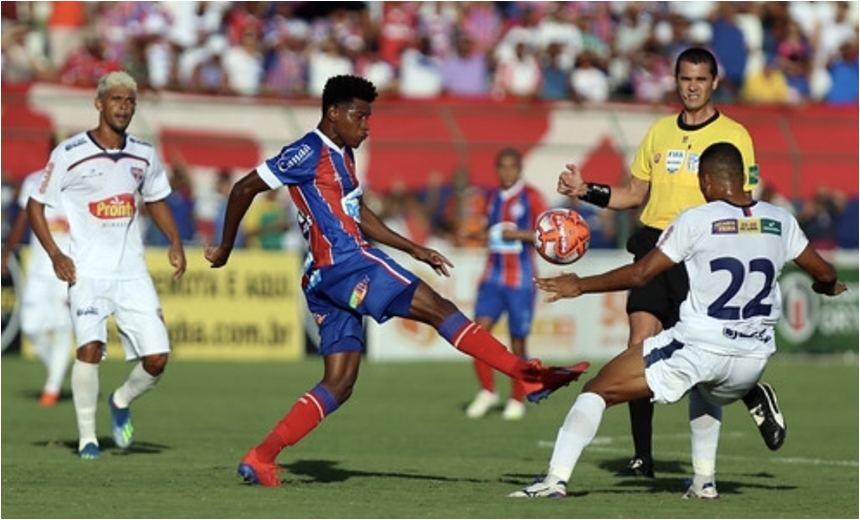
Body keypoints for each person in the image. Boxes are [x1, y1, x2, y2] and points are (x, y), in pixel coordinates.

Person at [203, 74, 589, 487]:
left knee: (341, 381)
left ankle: (260, 456)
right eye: (360, 116)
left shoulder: (344, 155)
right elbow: (245, 187)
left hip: (323, 278)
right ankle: (527, 376)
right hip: (347, 263)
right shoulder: (309, 150)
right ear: (333, 113)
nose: (367, 126)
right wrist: (226, 246)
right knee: (439, 308)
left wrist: (413, 248)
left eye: (370, 117)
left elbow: (359, 214)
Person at [509, 142, 847, 499]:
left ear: (707, 180)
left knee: (596, 391)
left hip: (701, 347)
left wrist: (579, 285)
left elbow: (641, 274)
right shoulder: (781, 219)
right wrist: (825, 286)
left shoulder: (696, 218)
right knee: (705, 389)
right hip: (752, 362)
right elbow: (824, 272)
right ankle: (704, 482)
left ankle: (553, 481)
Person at [557, 47, 781, 479]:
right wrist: (585, 190)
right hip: (653, 247)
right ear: (675, 81)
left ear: (714, 82)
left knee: (703, 357)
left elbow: (744, 200)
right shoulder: (658, 133)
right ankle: (643, 457)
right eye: (684, 79)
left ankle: (752, 394)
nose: (692, 87)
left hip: (701, 255)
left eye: (700, 79)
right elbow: (632, 194)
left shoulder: (735, 135)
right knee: (638, 349)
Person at [27, 71, 187, 460]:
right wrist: (56, 254)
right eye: (116, 99)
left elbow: (156, 199)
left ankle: (120, 400)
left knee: (157, 360)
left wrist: (176, 241)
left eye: (130, 101)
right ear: (99, 104)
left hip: (132, 272)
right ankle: (87, 440)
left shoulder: (144, 153)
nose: (124, 107)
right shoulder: (69, 153)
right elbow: (35, 205)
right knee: (89, 348)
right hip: (87, 272)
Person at [464, 147, 548, 421]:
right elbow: (492, 232)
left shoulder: (532, 197)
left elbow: (548, 235)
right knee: (477, 333)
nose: (507, 172)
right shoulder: (490, 197)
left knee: (518, 342)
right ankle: (488, 391)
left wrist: (520, 234)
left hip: (520, 279)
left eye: (512, 167)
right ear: (497, 169)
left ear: (520, 168)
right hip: (492, 276)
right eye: (502, 167)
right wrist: (476, 233)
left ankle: (516, 398)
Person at [1, 159, 73, 407]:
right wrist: (7, 251)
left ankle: (51, 388)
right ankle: (56, 367)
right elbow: (23, 217)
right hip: (39, 268)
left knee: (64, 328)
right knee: (31, 327)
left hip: (69, 268)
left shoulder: (82, 180)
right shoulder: (35, 180)